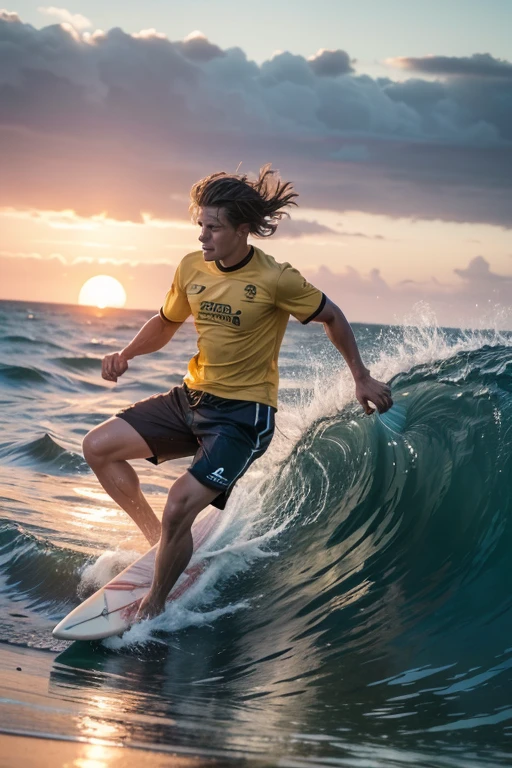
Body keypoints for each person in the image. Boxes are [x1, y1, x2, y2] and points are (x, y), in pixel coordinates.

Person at [82, 165, 393, 621]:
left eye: (214, 227)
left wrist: (360, 376)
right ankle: (159, 545)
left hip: (244, 416)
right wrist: (127, 353)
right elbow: (167, 322)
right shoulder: (192, 267)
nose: (204, 236)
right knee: (98, 448)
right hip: (191, 399)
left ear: (243, 230)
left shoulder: (276, 278)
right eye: (200, 225)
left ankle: (154, 608)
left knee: (179, 506)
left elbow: (333, 316)